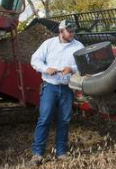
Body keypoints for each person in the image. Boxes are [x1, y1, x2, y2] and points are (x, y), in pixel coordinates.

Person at [29, 20, 84, 166]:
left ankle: (61, 152)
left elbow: (83, 65)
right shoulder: (48, 44)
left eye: (73, 31)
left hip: (67, 88)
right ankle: (38, 153)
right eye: (69, 31)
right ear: (61, 31)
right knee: (44, 119)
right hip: (50, 87)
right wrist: (46, 69)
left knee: (64, 120)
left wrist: (72, 69)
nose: (72, 33)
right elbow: (35, 60)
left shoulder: (78, 46)